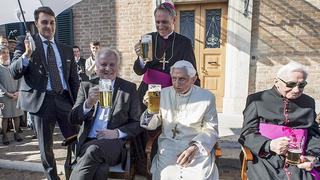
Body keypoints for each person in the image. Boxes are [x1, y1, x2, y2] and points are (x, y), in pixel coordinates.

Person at [9, 7, 79, 180]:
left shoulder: (66, 49)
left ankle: (73, 172)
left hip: (64, 99)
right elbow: (14, 71)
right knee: (46, 147)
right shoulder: (25, 43)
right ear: (36, 24)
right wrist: (27, 54)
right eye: (44, 22)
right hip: (41, 102)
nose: (49, 26)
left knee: (75, 139)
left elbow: (73, 80)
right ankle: (52, 177)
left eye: (52, 22)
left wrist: (78, 103)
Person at [69, 47, 143, 180]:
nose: (107, 68)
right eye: (103, 64)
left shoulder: (128, 88)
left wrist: (116, 133)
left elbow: (137, 123)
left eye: (112, 64)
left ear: (118, 67)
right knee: (100, 169)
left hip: (114, 144)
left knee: (93, 150)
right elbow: (72, 118)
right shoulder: (86, 86)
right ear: (96, 67)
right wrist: (88, 103)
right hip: (87, 141)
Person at [238, 62, 320, 180]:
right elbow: (247, 134)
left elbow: (313, 135)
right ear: (276, 81)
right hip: (266, 158)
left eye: (301, 85)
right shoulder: (256, 100)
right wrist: (269, 145)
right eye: (290, 84)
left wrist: (312, 156)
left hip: (299, 159)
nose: (296, 90)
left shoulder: (308, 102)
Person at [140, 60, 219, 180]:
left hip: (195, 147)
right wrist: (151, 109)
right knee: (165, 175)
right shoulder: (162, 94)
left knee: (200, 176)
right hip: (168, 146)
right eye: (174, 78)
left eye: (182, 79)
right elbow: (148, 125)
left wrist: (195, 147)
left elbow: (211, 129)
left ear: (193, 79)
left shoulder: (207, 97)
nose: (176, 83)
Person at [133, 1, 200, 111]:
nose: (160, 26)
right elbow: (139, 71)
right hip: (148, 90)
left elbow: (192, 71)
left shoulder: (184, 42)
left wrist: (196, 97)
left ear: (174, 20)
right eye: (157, 22)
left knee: (166, 124)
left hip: (172, 91)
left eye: (164, 22)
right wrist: (141, 58)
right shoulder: (148, 39)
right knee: (146, 123)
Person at [0, 45, 23, 145]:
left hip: (16, 95)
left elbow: (19, 78)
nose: (6, 55)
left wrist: (18, 92)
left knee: (16, 116)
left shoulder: (14, 65)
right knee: (4, 117)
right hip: (4, 96)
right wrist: (7, 93)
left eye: (7, 52)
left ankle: (16, 133)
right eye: (3, 53)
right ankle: (4, 136)